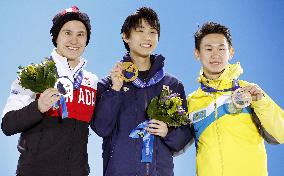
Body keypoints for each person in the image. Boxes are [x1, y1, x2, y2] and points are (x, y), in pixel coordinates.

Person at [91, 7, 192, 176]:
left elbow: (184, 136)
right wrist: (115, 90)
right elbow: (101, 128)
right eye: (140, 31)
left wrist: (168, 132)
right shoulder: (108, 84)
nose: (147, 37)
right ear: (125, 35)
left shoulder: (172, 85)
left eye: (153, 32)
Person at [1, 6, 98, 176]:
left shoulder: (92, 82)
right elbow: (7, 125)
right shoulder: (34, 76)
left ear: (86, 39)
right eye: (67, 33)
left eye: (80, 34)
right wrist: (38, 107)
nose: (74, 40)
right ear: (56, 37)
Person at [187, 21, 284, 176]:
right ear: (197, 53)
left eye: (221, 48)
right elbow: (178, 143)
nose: (215, 55)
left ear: (231, 52)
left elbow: (281, 133)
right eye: (208, 49)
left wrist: (261, 103)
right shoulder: (191, 102)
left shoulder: (250, 91)